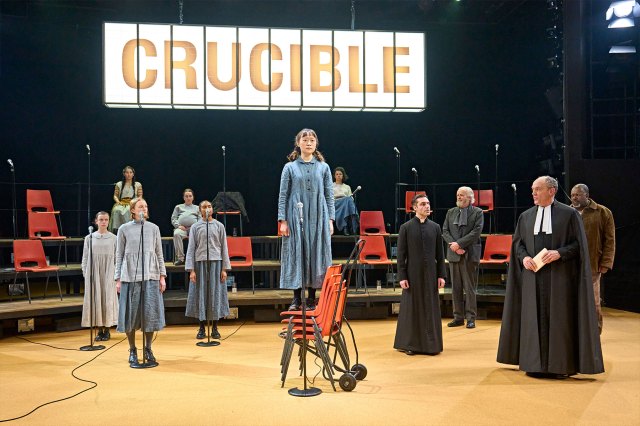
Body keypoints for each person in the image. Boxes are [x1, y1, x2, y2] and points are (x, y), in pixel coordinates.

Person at [497, 176, 604, 378]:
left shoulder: (569, 214)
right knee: (532, 319)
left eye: (538, 189)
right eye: (532, 189)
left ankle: (559, 366)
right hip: (533, 278)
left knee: (559, 320)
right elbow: (518, 244)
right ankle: (533, 364)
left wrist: (559, 253)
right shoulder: (526, 217)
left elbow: (579, 246)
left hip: (560, 278)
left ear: (552, 191)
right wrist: (524, 257)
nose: (534, 193)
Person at [278, 128, 335, 311]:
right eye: (305, 140)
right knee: (297, 252)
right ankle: (296, 298)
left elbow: (329, 195)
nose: (309, 142)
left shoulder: (324, 167)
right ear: (298, 143)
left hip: (319, 216)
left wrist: (330, 219)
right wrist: (283, 220)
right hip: (296, 216)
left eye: (312, 140)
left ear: (316, 143)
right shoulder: (290, 167)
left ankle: (311, 298)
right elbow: (283, 195)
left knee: (316, 253)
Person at [115, 198, 167, 366]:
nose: (143, 208)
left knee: (150, 315)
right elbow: (119, 255)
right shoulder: (124, 229)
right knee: (130, 316)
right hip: (130, 277)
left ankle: (148, 348)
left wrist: (162, 276)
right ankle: (132, 349)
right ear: (133, 210)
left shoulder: (154, 228)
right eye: (140, 206)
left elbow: (159, 253)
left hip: (151, 276)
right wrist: (118, 279)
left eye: (145, 205)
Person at [394, 194, 446, 356]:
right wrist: (402, 276)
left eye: (428, 204)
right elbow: (401, 255)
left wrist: (441, 275)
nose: (427, 206)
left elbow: (440, 253)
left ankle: (432, 345)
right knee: (412, 309)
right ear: (414, 208)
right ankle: (411, 344)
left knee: (430, 308)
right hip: (412, 274)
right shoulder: (406, 228)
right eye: (423, 204)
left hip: (431, 274)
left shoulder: (435, 227)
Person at [571, 183, 615, 334]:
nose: (574, 198)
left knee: (593, 301)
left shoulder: (603, 212)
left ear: (587, 195)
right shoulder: (568, 212)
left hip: (593, 264)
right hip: (570, 264)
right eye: (572, 195)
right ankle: (575, 333)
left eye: (577, 194)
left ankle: (595, 334)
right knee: (572, 300)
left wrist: (606, 263)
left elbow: (610, 240)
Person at [185, 200, 231, 340]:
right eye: (204, 207)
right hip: (200, 263)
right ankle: (201, 327)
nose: (207, 209)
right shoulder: (195, 227)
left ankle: (215, 327)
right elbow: (191, 248)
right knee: (201, 294)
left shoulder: (219, 226)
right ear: (200, 210)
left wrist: (224, 269)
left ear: (212, 209)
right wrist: (191, 270)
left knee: (215, 293)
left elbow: (224, 247)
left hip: (216, 263)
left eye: (209, 206)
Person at [442, 186, 484, 329]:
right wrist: (453, 246)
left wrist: (459, 244)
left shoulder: (478, 212)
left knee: (469, 288)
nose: (459, 197)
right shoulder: (450, 212)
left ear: (470, 198)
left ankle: (471, 318)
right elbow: (445, 231)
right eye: (458, 194)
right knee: (456, 288)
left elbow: (476, 232)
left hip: (469, 254)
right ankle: (458, 317)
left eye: (462, 195)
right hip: (454, 254)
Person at [81, 211, 118, 341]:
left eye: (106, 220)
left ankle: (107, 330)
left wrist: (116, 275)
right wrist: (86, 273)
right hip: (94, 273)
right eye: (101, 219)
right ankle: (99, 330)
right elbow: (85, 258)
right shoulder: (89, 238)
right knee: (96, 299)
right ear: (96, 221)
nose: (103, 222)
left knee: (107, 299)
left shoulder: (114, 238)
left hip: (109, 272)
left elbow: (117, 258)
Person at [109, 166, 143, 232]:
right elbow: (115, 196)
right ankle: (117, 230)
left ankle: (130, 228)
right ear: (124, 174)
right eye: (127, 172)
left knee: (128, 210)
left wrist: (133, 202)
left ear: (133, 174)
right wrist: (118, 202)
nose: (129, 174)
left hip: (132, 203)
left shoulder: (137, 184)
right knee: (116, 210)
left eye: (130, 172)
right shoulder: (119, 184)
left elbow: (140, 196)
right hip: (122, 203)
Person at [171, 188, 199, 266]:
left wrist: (195, 227)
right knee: (176, 234)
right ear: (183, 198)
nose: (188, 198)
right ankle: (180, 258)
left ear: (193, 197)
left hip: (193, 228)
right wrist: (178, 226)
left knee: (200, 234)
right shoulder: (178, 207)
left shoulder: (197, 208)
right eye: (186, 196)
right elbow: (173, 218)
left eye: (190, 196)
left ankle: (195, 258)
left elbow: (200, 219)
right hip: (182, 228)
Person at [332, 166, 359, 235]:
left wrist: (347, 199)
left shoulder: (347, 187)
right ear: (334, 176)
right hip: (335, 204)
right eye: (337, 174)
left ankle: (346, 227)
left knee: (348, 201)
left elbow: (351, 198)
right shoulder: (331, 186)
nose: (338, 175)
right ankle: (350, 227)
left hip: (346, 204)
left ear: (343, 175)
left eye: (340, 174)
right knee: (347, 201)